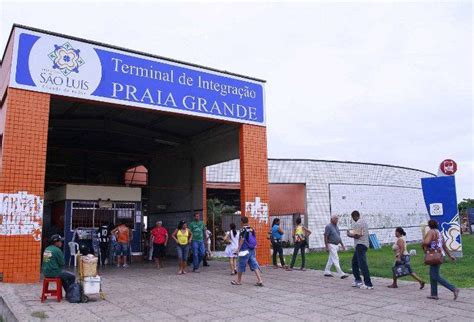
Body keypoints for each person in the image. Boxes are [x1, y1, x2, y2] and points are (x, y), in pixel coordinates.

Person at [422, 219, 460, 300]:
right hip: (440, 255)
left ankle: (453, 288)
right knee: (432, 274)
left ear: (429, 225)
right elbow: (444, 246)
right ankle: (434, 294)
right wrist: (450, 256)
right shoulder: (439, 233)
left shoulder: (431, 232)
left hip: (433, 255)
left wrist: (423, 243)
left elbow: (426, 242)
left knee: (435, 275)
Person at [231, 216, 263, 286]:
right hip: (251, 249)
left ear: (242, 222)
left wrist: (238, 249)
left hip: (245, 250)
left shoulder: (243, 229)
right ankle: (260, 280)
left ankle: (238, 281)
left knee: (241, 265)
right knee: (254, 264)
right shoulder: (251, 228)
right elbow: (254, 237)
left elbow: (242, 239)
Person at [347, 210, 373, 289]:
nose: (352, 219)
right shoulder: (363, 222)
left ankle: (368, 283)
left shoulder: (358, 223)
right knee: (354, 263)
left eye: (352, 218)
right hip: (363, 244)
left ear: (355, 216)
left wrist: (349, 234)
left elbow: (357, 236)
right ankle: (358, 280)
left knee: (362, 264)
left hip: (360, 245)